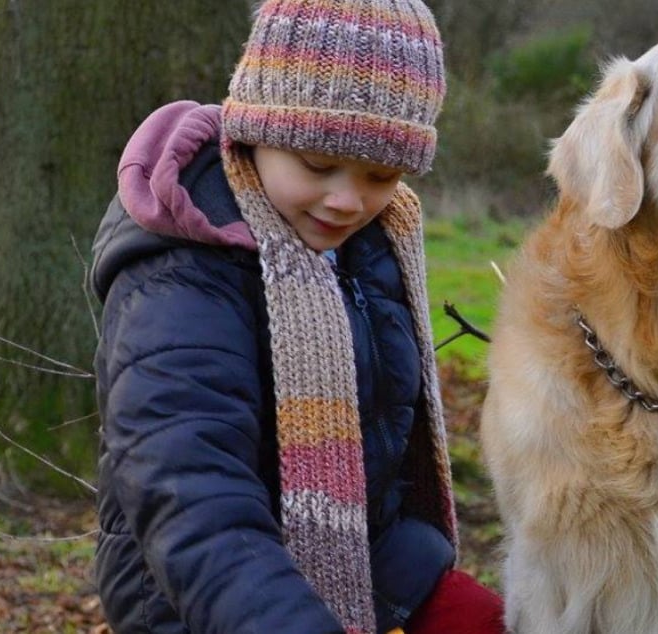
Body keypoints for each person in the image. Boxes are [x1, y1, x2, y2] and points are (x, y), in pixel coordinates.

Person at [89, 1, 505, 632]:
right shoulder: (182, 272)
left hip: (361, 577)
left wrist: (425, 586)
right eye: (317, 165)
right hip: (200, 603)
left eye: (381, 174)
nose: (347, 200)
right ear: (257, 130)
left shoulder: (369, 246)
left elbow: (373, 480)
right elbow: (193, 494)